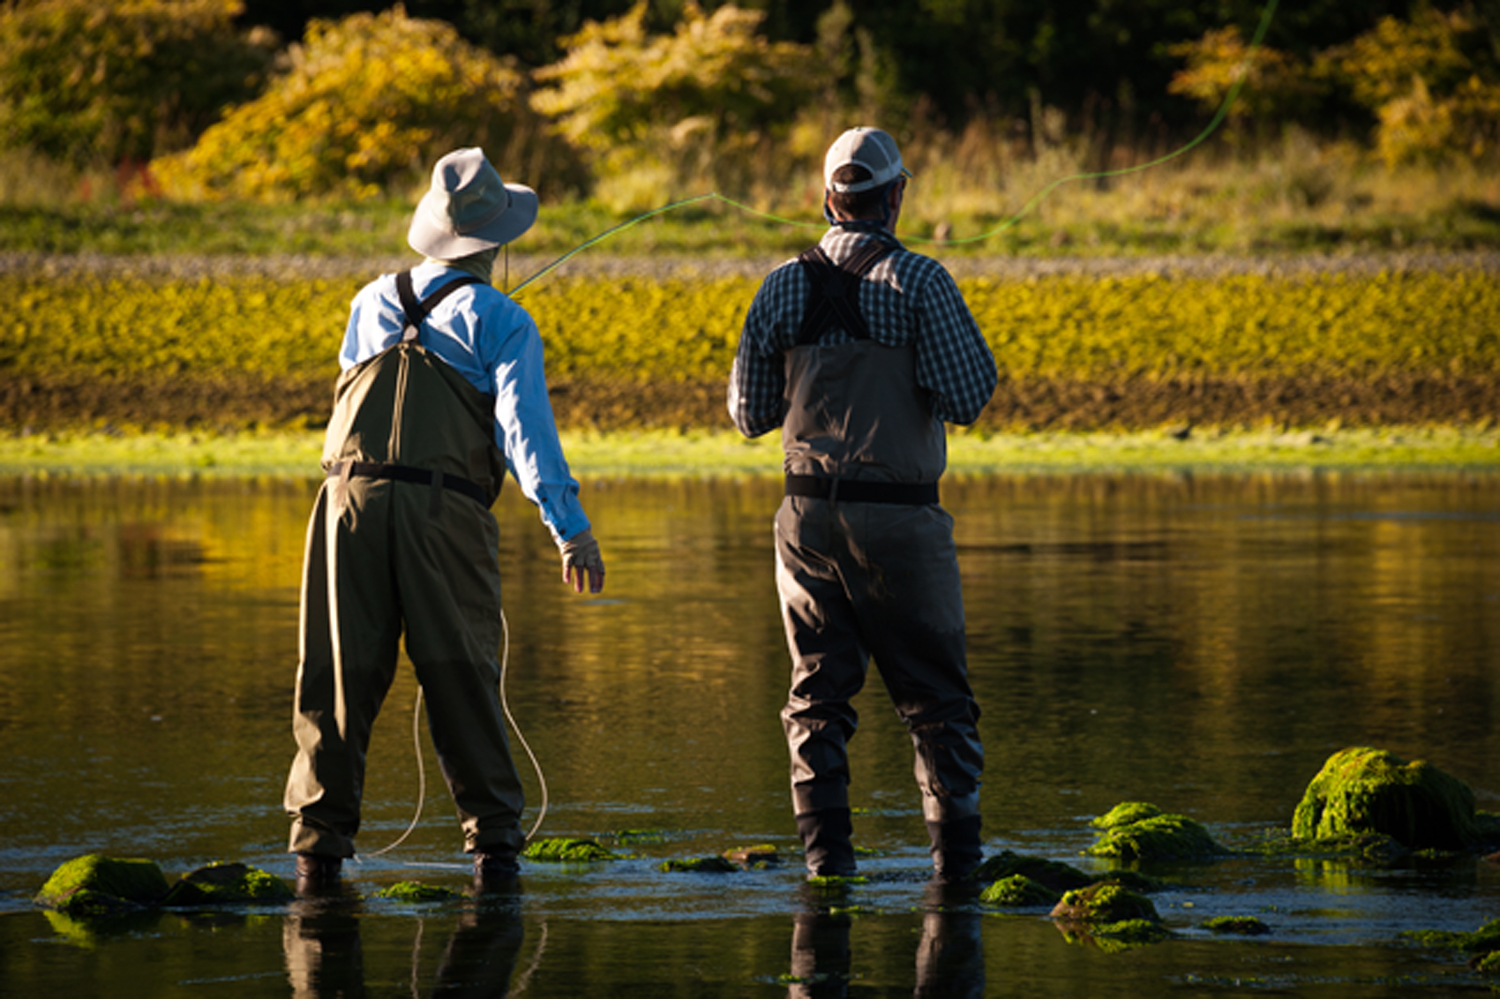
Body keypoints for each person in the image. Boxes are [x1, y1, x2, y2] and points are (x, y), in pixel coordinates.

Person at [283, 147, 605, 890]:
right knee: (462, 671)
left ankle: (316, 850)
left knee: (336, 675)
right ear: (494, 243)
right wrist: (571, 529)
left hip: (343, 504)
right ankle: (493, 846)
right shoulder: (504, 318)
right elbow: (526, 439)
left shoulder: (368, 300)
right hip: (442, 509)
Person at [728, 127, 996, 882]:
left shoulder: (779, 284)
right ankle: (955, 871)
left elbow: (747, 413)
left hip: (805, 519)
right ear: (896, 196)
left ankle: (827, 866)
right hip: (902, 516)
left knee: (816, 696)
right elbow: (970, 395)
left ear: (827, 199)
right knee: (938, 700)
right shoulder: (922, 281)